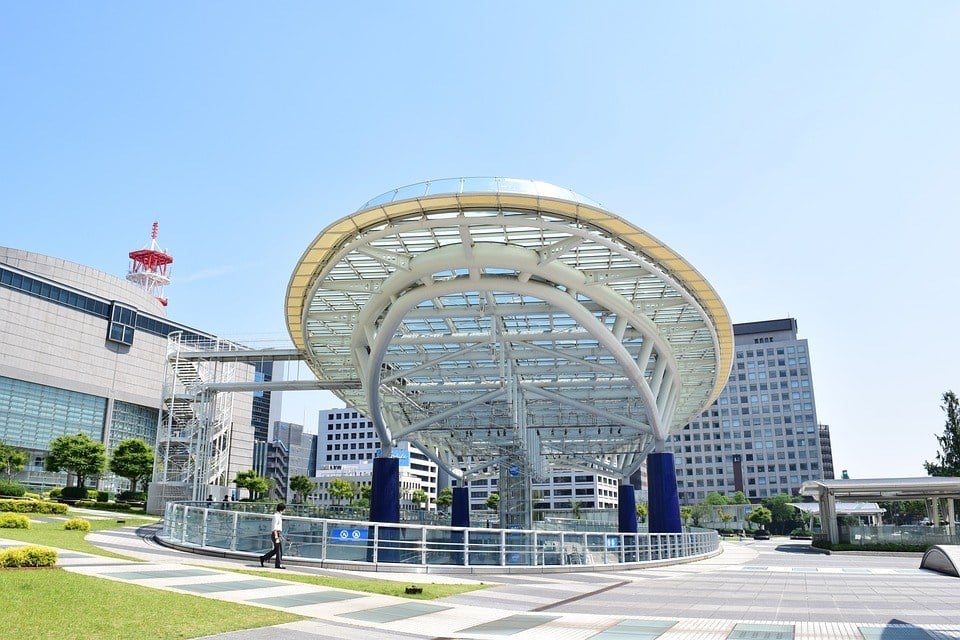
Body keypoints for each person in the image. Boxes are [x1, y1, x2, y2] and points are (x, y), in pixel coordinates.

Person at [259, 503, 286, 569]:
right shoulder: (276, 516)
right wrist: (276, 536)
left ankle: (264, 558)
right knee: (279, 550)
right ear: (282, 509)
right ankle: (278, 564)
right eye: (284, 509)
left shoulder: (279, 515)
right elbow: (274, 527)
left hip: (278, 533)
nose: (285, 510)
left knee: (276, 550)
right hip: (276, 534)